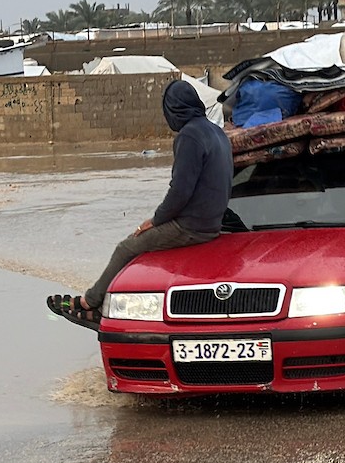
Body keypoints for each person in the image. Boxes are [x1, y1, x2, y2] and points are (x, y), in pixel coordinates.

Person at [47, 79, 233, 325]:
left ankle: (90, 303)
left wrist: (155, 221)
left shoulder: (189, 136)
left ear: (172, 109)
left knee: (127, 247)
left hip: (192, 226)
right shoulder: (217, 131)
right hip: (213, 222)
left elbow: (180, 191)